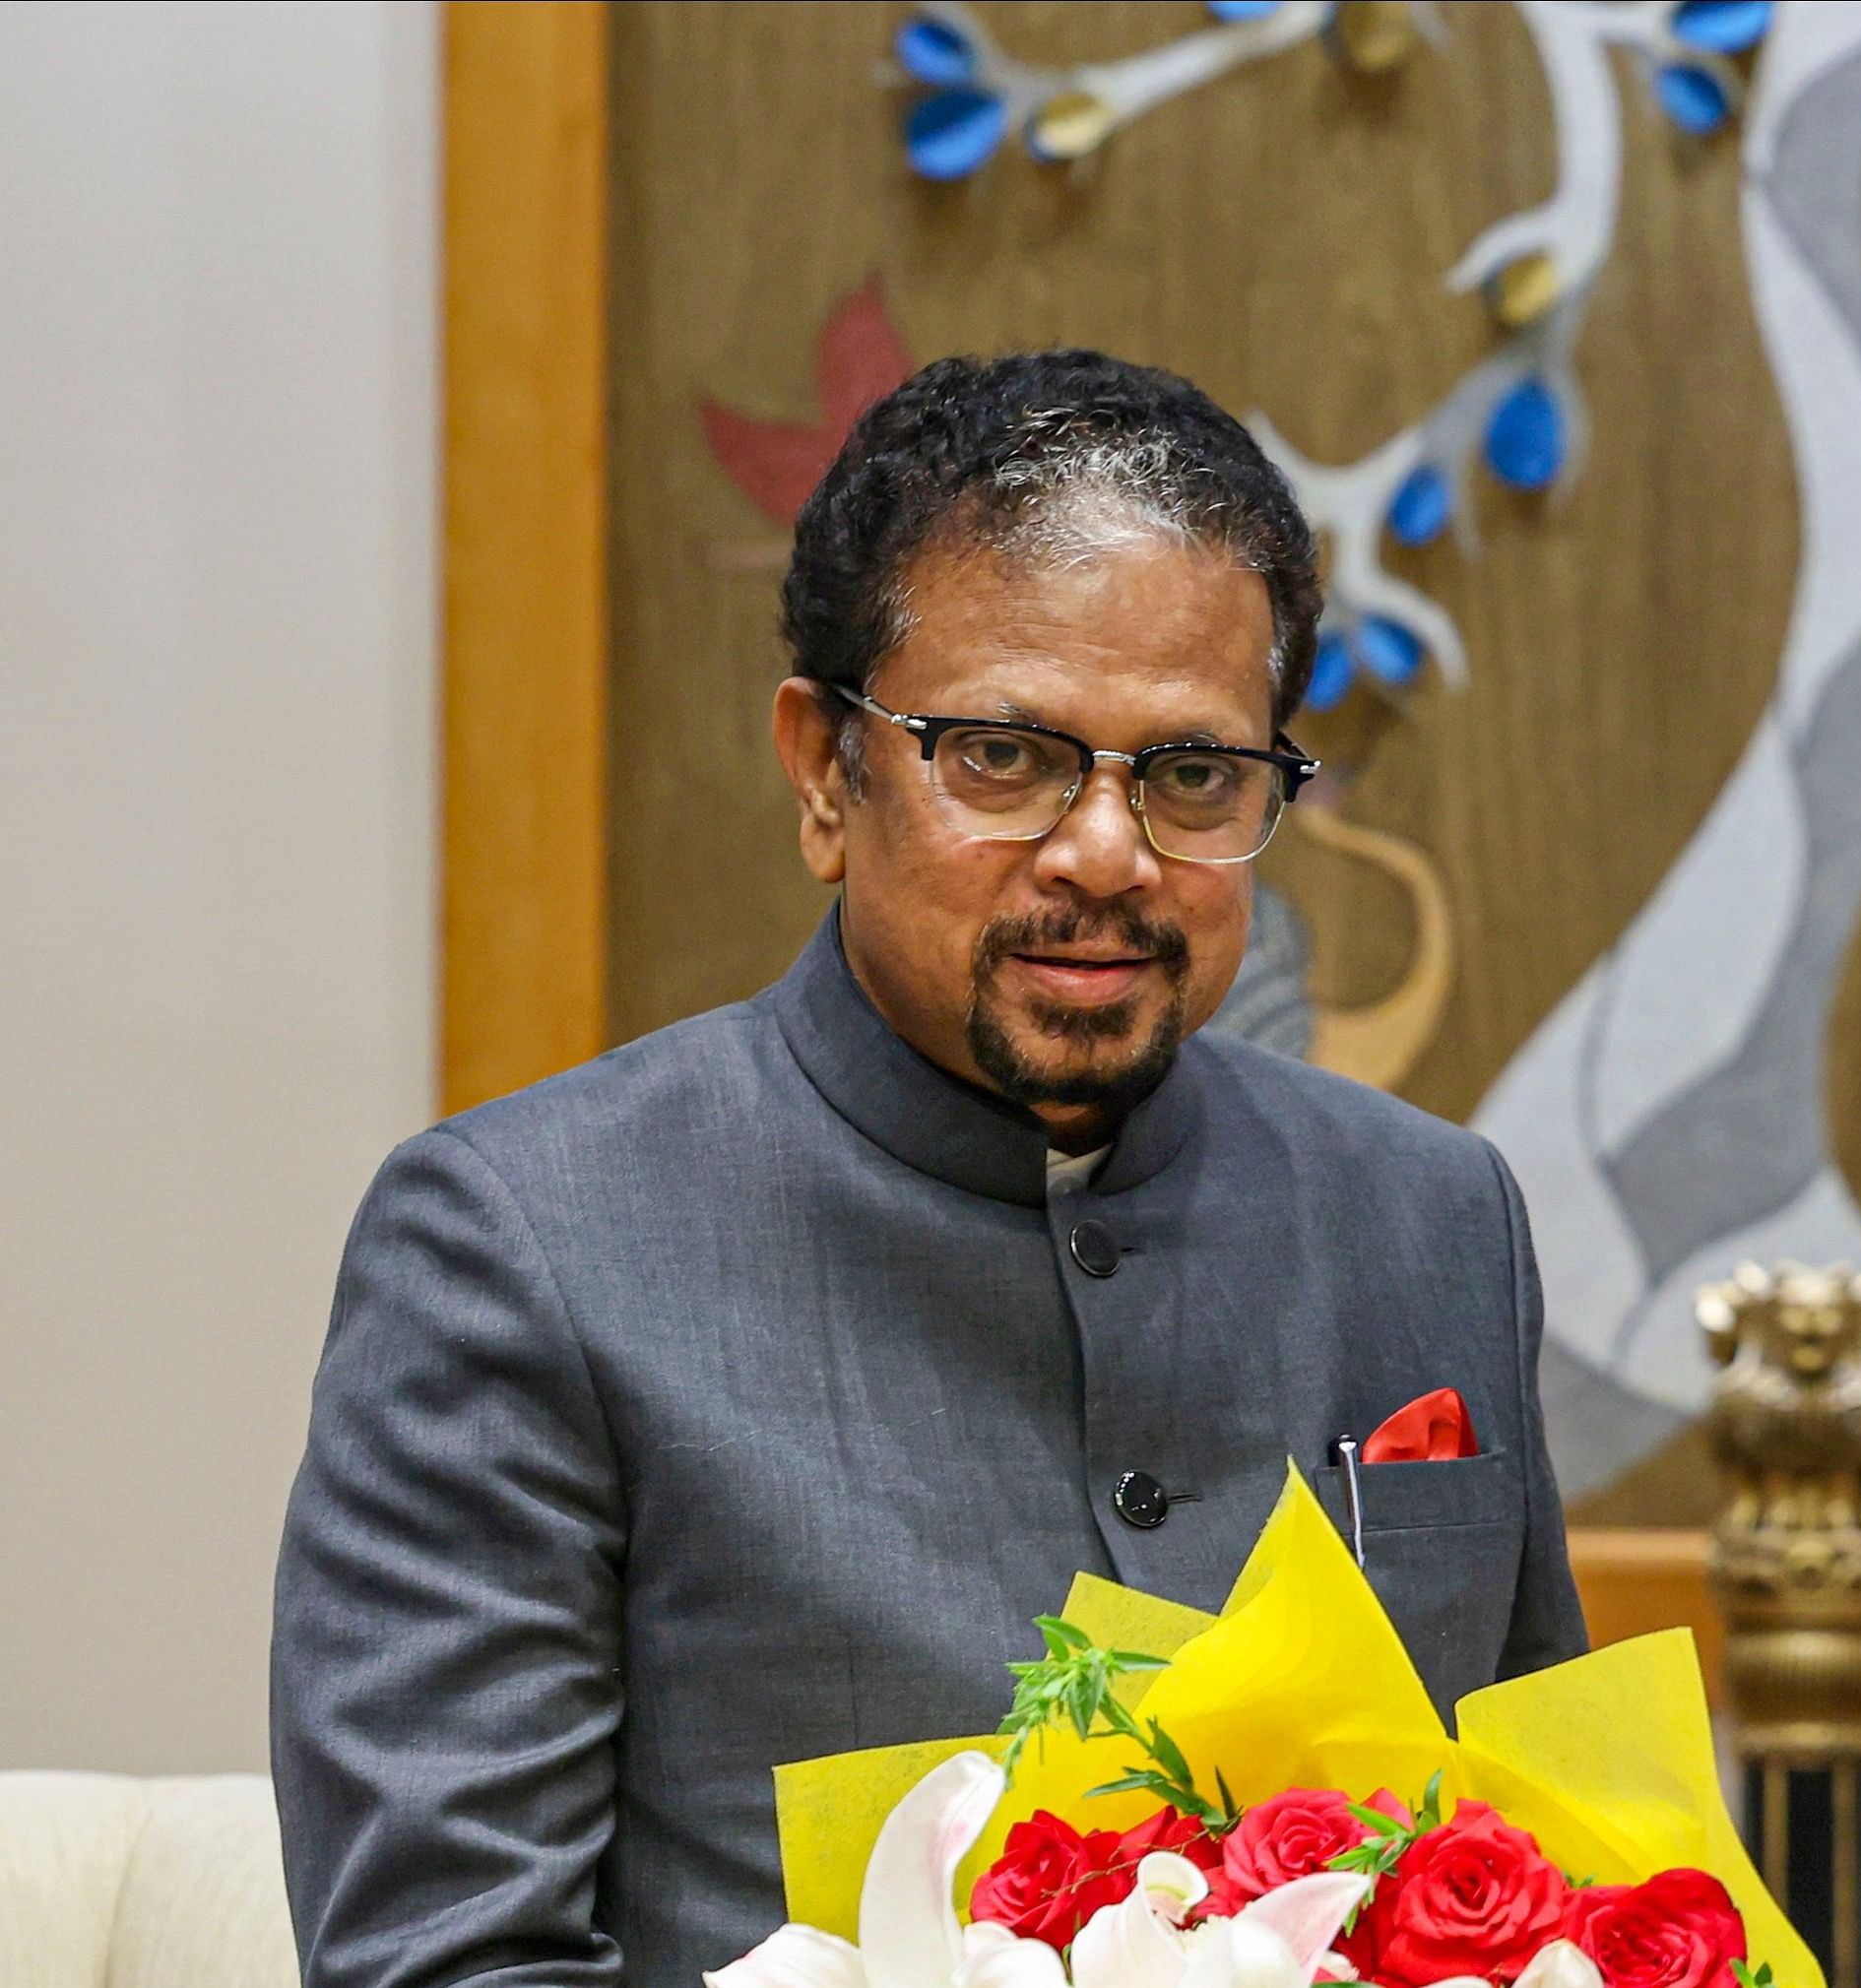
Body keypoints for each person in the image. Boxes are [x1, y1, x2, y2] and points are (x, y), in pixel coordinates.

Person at [271, 351, 1587, 1988]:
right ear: (826, 771)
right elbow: (448, 1964)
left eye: (1191, 776)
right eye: (1004, 757)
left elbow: (1549, 1885)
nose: (1105, 854)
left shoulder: (1432, 1215)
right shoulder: (523, 1242)